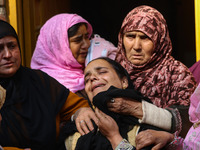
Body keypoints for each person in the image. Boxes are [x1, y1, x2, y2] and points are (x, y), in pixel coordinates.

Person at [0, 19, 96, 149]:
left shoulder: (37, 80)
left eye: (12, 46)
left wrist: (80, 112)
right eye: (0, 48)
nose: (7, 55)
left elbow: (75, 106)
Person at [114, 5, 197, 137]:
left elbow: (191, 126)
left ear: (159, 40)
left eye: (145, 38)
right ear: (121, 38)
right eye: (130, 36)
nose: (136, 46)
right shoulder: (112, 70)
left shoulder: (177, 74)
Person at [64, 57, 178, 150]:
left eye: (102, 72)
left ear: (124, 82)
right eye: (87, 79)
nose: (92, 78)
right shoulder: (77, 130)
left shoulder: (146, 126)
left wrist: (114, 137)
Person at [31, 13, 117, 99]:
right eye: (77, 40)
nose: (86, 45)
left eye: (87, 37)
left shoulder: (93, 62)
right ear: (58, 45)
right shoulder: (45, 83)